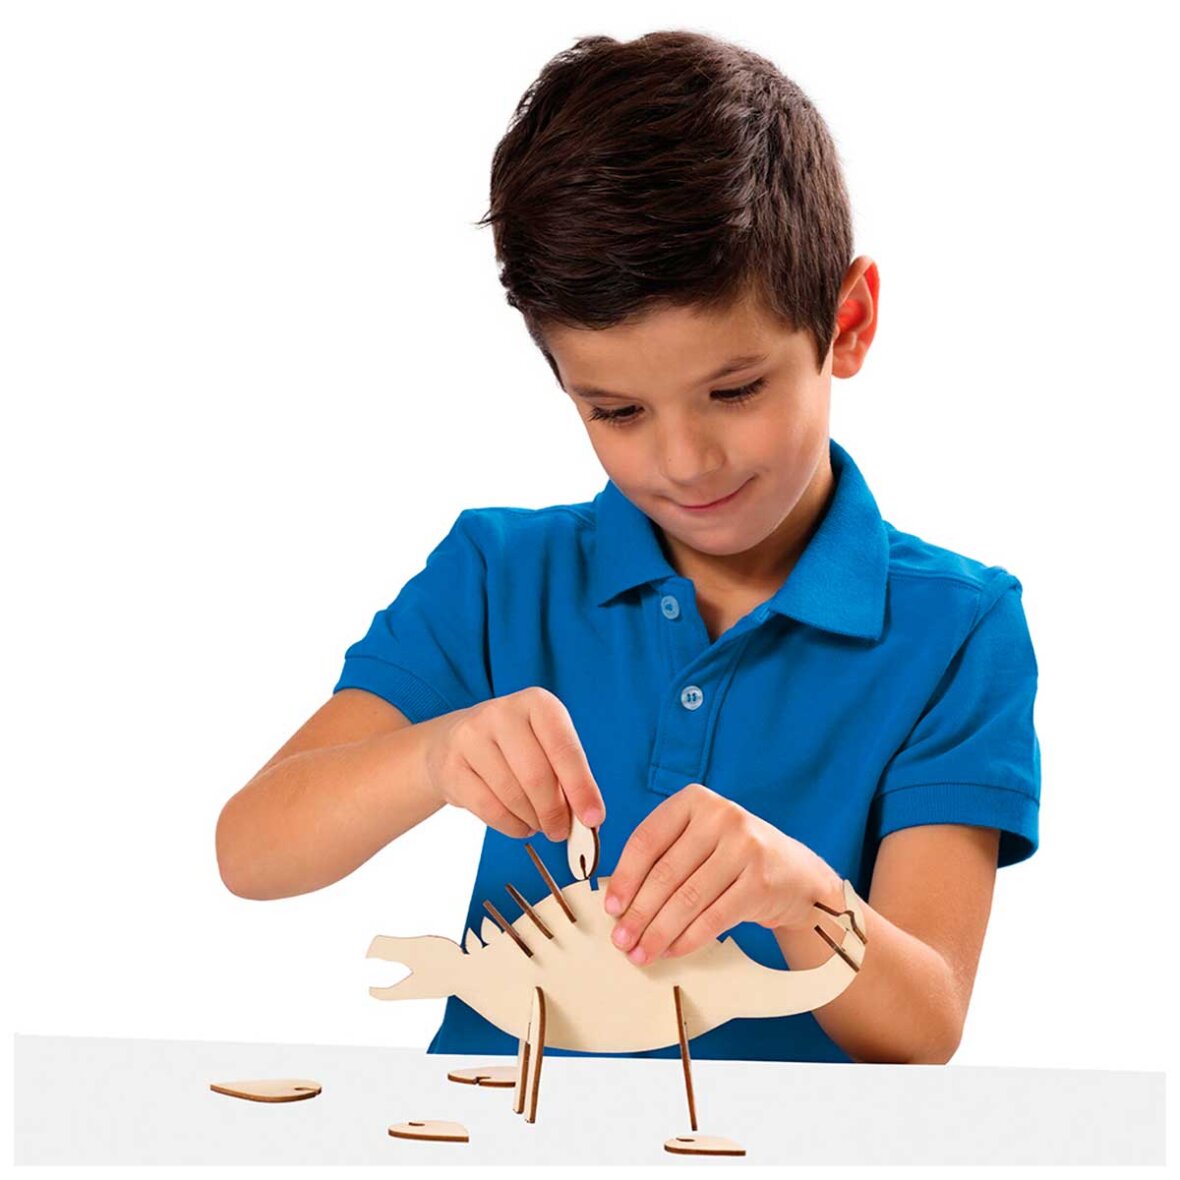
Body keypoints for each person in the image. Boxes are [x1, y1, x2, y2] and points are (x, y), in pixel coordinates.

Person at [215, 30, 1040, 1066]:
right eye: (616, 410)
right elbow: (251, 850)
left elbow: (922, 1030)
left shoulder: (957, 630)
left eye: (733, 391)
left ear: (848, 322)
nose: (685, 461)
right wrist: (430, 755)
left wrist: (802, 896)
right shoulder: (499, 576)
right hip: (489, 1127)